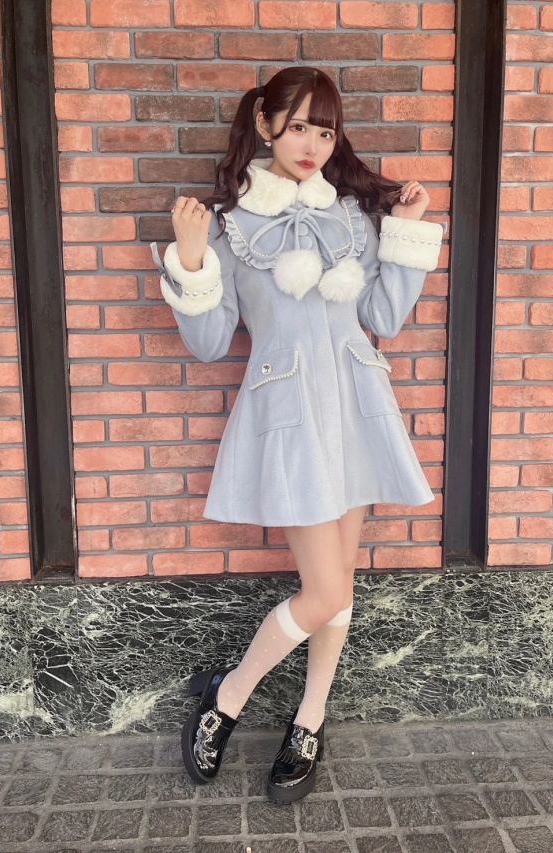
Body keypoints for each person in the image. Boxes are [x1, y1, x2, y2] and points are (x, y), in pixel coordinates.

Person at [150, 66, 444, 804]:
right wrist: (191, 257)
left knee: (337, 584)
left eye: (326, 130)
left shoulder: (351, 217)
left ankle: (309, 719)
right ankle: (227, 696)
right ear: (264, 123)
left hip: (354, 405)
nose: (312, 143)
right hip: (289, 411)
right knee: (327, 587)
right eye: (299, 126)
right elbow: (209, 344)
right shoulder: (227, 225)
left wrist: (406, 228)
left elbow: (383, 316)